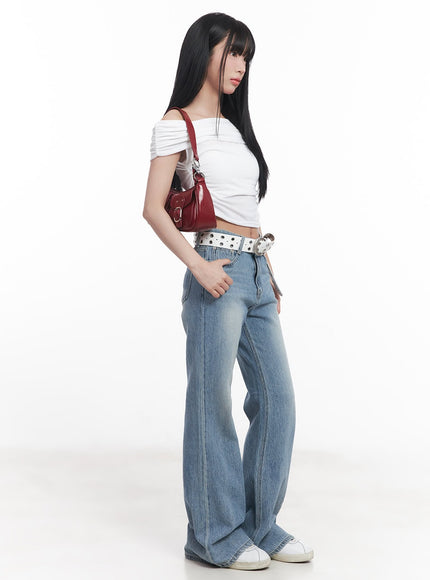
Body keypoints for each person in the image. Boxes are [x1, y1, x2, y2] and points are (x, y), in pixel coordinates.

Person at [143, 12, 314, 571]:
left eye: (246, 56)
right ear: (204, 52)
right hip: (214, 272)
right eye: (231, 52)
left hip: (257, 272)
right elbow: (152, 208)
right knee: (211, 402)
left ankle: (258, 525)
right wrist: (197, 266)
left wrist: (268, 275)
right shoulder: (176, 124)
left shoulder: (236, 128)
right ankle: (213, 536)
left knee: (278, 401)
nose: (240, 65)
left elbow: (247, 210)